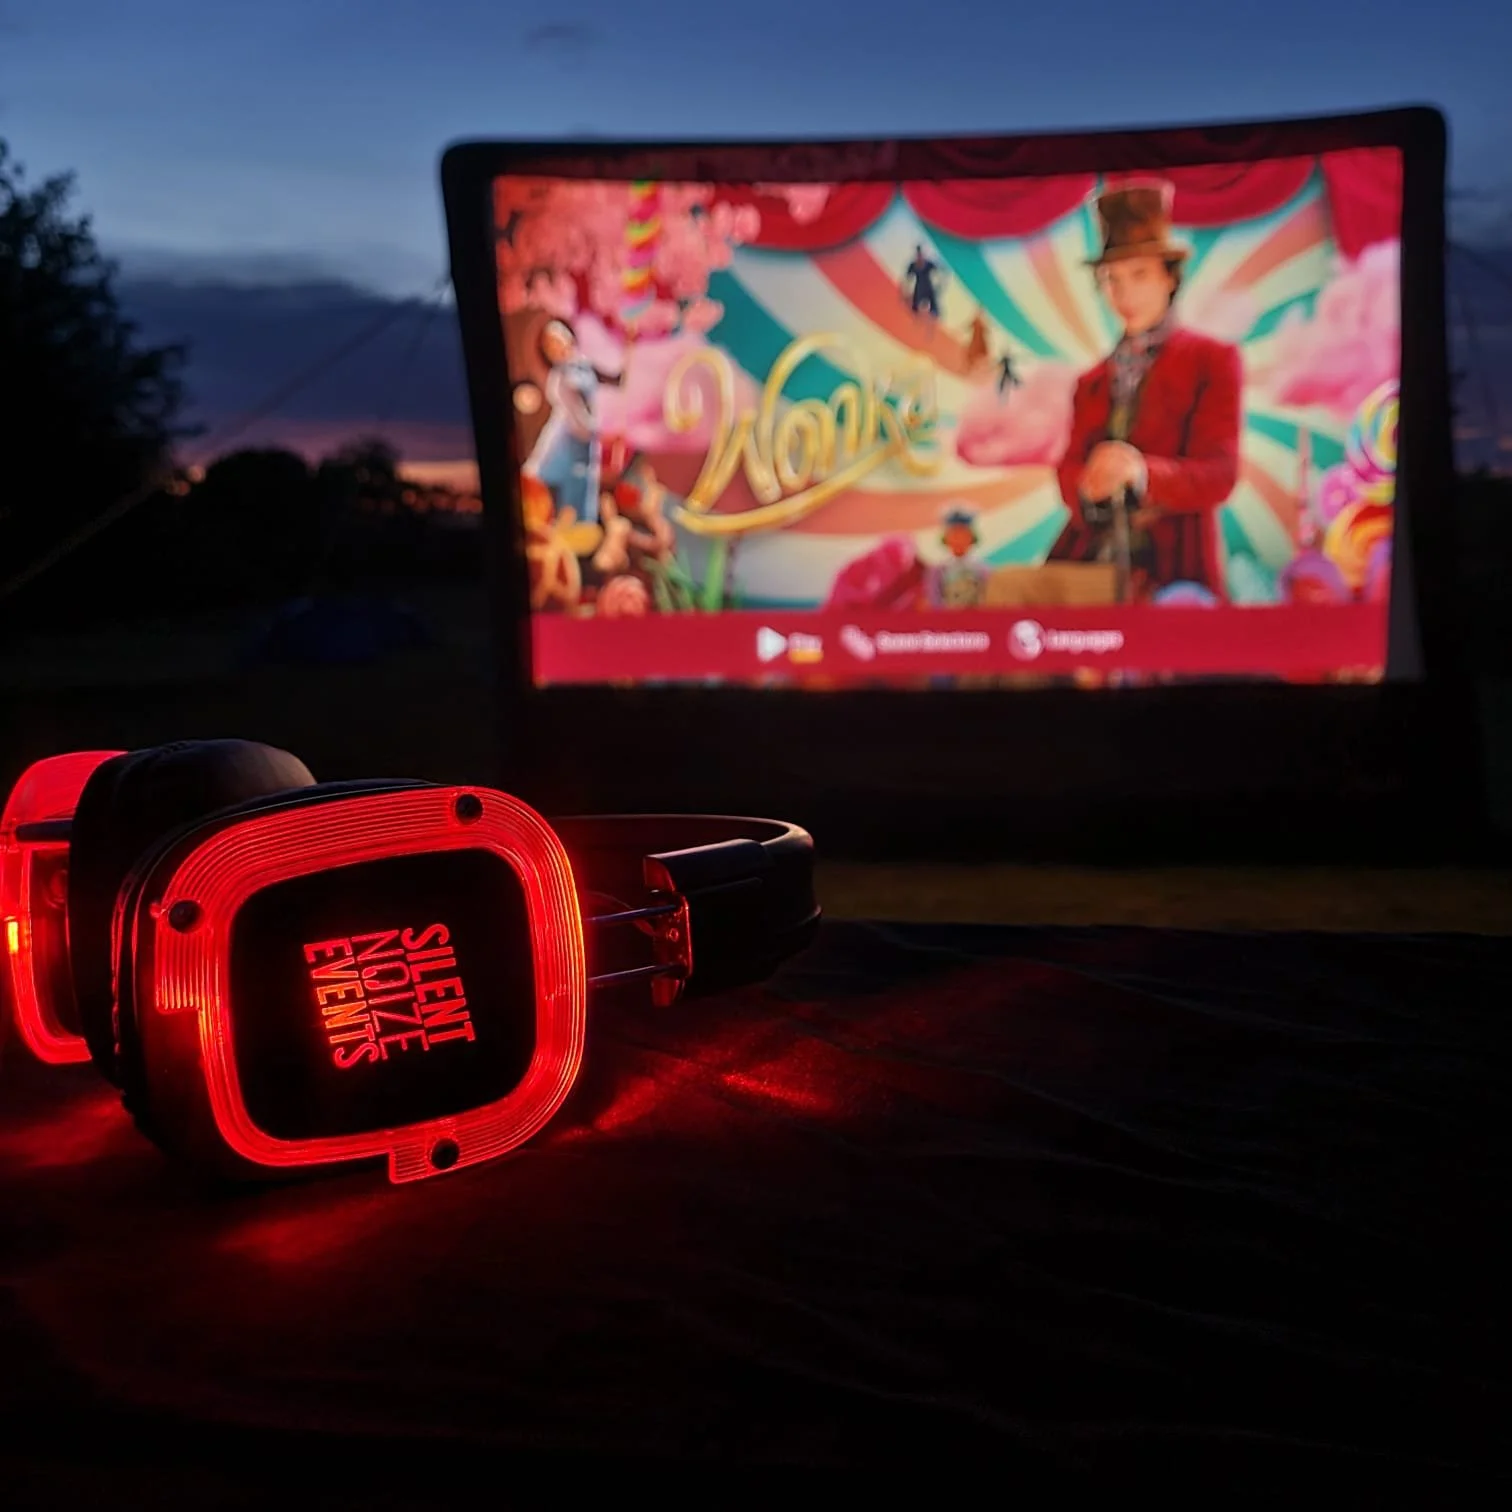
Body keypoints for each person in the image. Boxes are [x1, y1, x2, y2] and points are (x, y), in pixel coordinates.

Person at [1046, 181, 1242, 601]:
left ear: (1169, 277)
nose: (1124, 293)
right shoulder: (1091, 381)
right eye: (1111, 278)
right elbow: (1067, 470)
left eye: (1139, 274)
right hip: (1089, 563)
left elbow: (1220, 474)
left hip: (1173, 570)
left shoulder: (1211, 360)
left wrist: (1142, 472)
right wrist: (1087, 484)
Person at [522, 319, 606, 525]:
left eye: (560, 337)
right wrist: (602, 429)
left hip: (584, 442)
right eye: (551, 345)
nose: (559, 345)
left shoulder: (585, 364)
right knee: (569, 494)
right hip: (566, 442)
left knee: (583, 490)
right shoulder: (560, 378)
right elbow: (580, 421)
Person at [902, 244, 942, 320]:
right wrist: (906, 291)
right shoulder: (913, 265)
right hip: (919, 286)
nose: (920, 256)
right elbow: (908, 278)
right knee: (915, 303)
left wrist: (939, 285)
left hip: (928, 286)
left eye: (921, 255)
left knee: (933, 302)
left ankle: (934, 313)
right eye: (918, 255)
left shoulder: (928, 263)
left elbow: (937, 271)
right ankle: (914, 315)